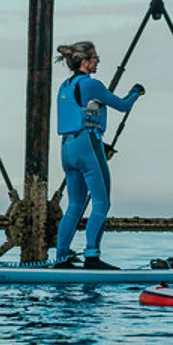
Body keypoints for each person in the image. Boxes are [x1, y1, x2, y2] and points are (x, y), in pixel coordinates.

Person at [53, 42, 145, 270]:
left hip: (67, 148)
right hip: (87, 144)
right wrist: (136, 92)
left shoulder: (65, 85)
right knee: (102, 202)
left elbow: (81, 114)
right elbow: (122, 106)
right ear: (84, 62)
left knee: (74, 205)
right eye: (95, 57)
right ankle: (92, 257)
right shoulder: (91, 85)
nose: (98, 61)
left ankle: (61, 258)